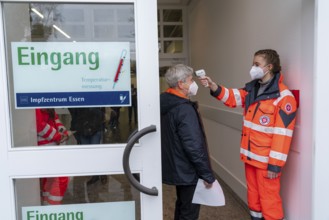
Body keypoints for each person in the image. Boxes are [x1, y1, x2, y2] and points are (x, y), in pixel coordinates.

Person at [199, 49, 297, 220]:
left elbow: (283, 135)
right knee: (254, 199)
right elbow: (232, 97)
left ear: (269, 67)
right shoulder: (253, 89)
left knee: (269, 201)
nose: (253, 67)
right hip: (250, 158)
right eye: (253, 64)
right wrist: (213, 86)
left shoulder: (283, 97)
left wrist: (275, 165)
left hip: (267, 163)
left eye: (257, 64)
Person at [160, 64, 215, 220]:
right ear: (181, 84)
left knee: (182, 206)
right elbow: (194, 146)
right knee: (188, 212)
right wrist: (206, 174)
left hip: (176, 165)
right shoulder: (184, 109)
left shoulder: (165, 102)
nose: (193, 84)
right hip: (187, 169)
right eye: (191, 80)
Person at [36, 108, 70, 205]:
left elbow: (55, 119)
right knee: (61, 178)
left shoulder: (43, 100)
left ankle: (47, 203)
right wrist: (58, 136)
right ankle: (52, 206)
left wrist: (62, 131)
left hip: (51, 147)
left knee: (50, 178)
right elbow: (39, 125)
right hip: (45, 147)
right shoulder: (35, 103)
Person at [68, 107, 107, 185]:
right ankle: (96, 174)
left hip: (95, 127)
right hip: (82, 129)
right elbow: (74, 113)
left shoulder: (92, 99)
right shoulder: (77, 100)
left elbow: (100, 112)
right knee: (88, 154)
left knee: (95, 152)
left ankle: (100, 173)